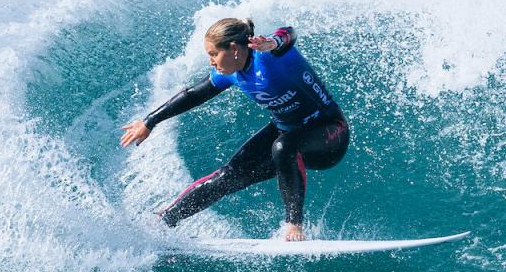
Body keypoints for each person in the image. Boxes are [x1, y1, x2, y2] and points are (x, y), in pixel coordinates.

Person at [120, 17, 350, 241]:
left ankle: (294, 225)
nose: (211, 61)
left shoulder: (267, 55)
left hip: (329, 132)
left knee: (283, 146)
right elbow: (193, 95)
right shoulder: (232, 75)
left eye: (213, 54)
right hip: (287, 131)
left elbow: (290, 32)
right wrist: (149, 121)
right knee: (226, 177)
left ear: (233, 49)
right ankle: (165, 220)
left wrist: (273, 42)